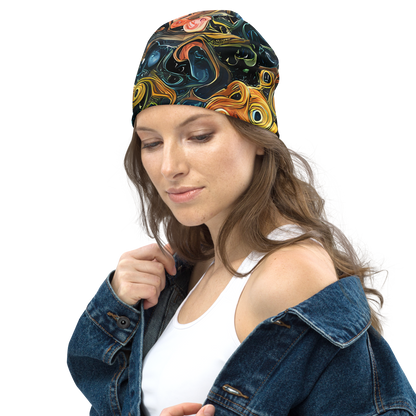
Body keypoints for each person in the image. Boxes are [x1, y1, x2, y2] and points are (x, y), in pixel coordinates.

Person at [65, 7, 415, 416]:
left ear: (258, 137)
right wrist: (118, 303)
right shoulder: (192, 265)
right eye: (152, 143)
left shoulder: (288, 275)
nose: (169, 167)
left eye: (199, 135)